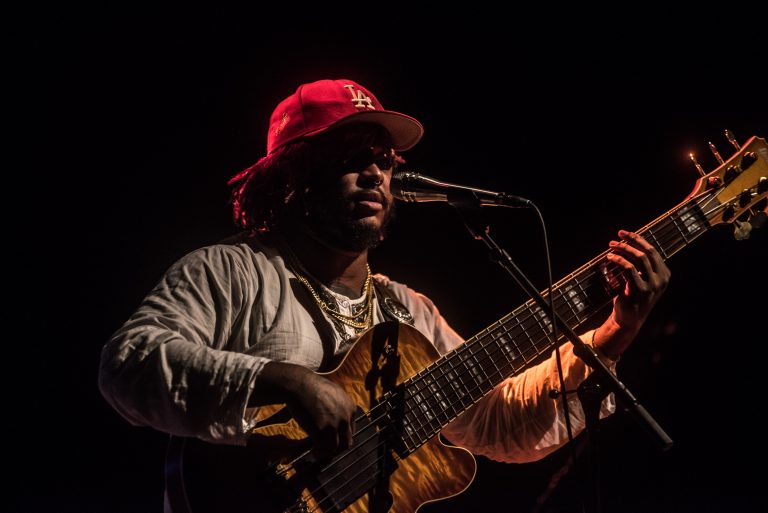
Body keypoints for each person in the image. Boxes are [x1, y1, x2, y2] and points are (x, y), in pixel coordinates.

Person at [98, 78, 671, 510]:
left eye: (383, 162)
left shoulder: (409, 309)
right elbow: (129, 363)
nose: (375, 175)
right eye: (351, 161)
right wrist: (286, 380)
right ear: (294, 177)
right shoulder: (233, 271)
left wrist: (615, 331)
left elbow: (498, 423)